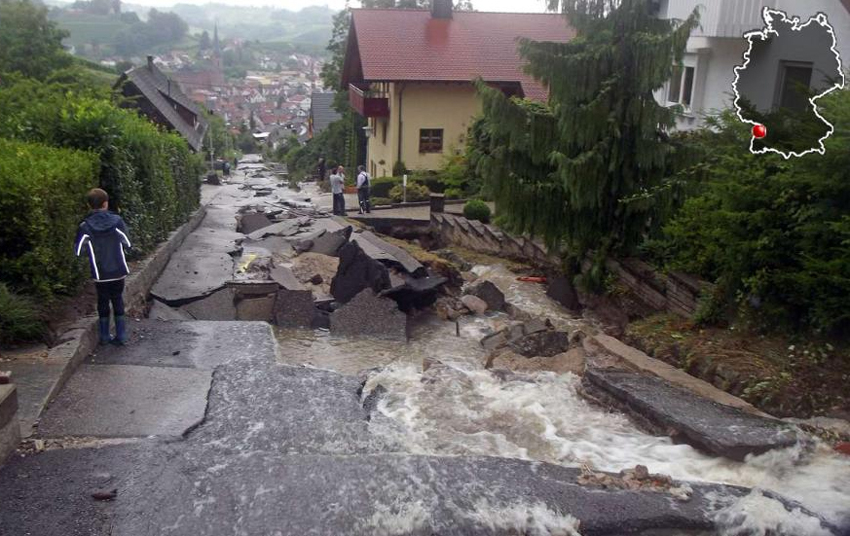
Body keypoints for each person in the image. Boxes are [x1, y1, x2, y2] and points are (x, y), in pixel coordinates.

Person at [75, 188, 132, 345]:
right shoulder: (117, 221)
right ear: (106, 203)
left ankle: (105, 336)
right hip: (119, 269)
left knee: (102, 301)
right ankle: (121, 336)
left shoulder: (85, 226)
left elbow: (79, 251)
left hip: (100, 273)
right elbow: (128, 243)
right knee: (117, 299)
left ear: (89, 205)